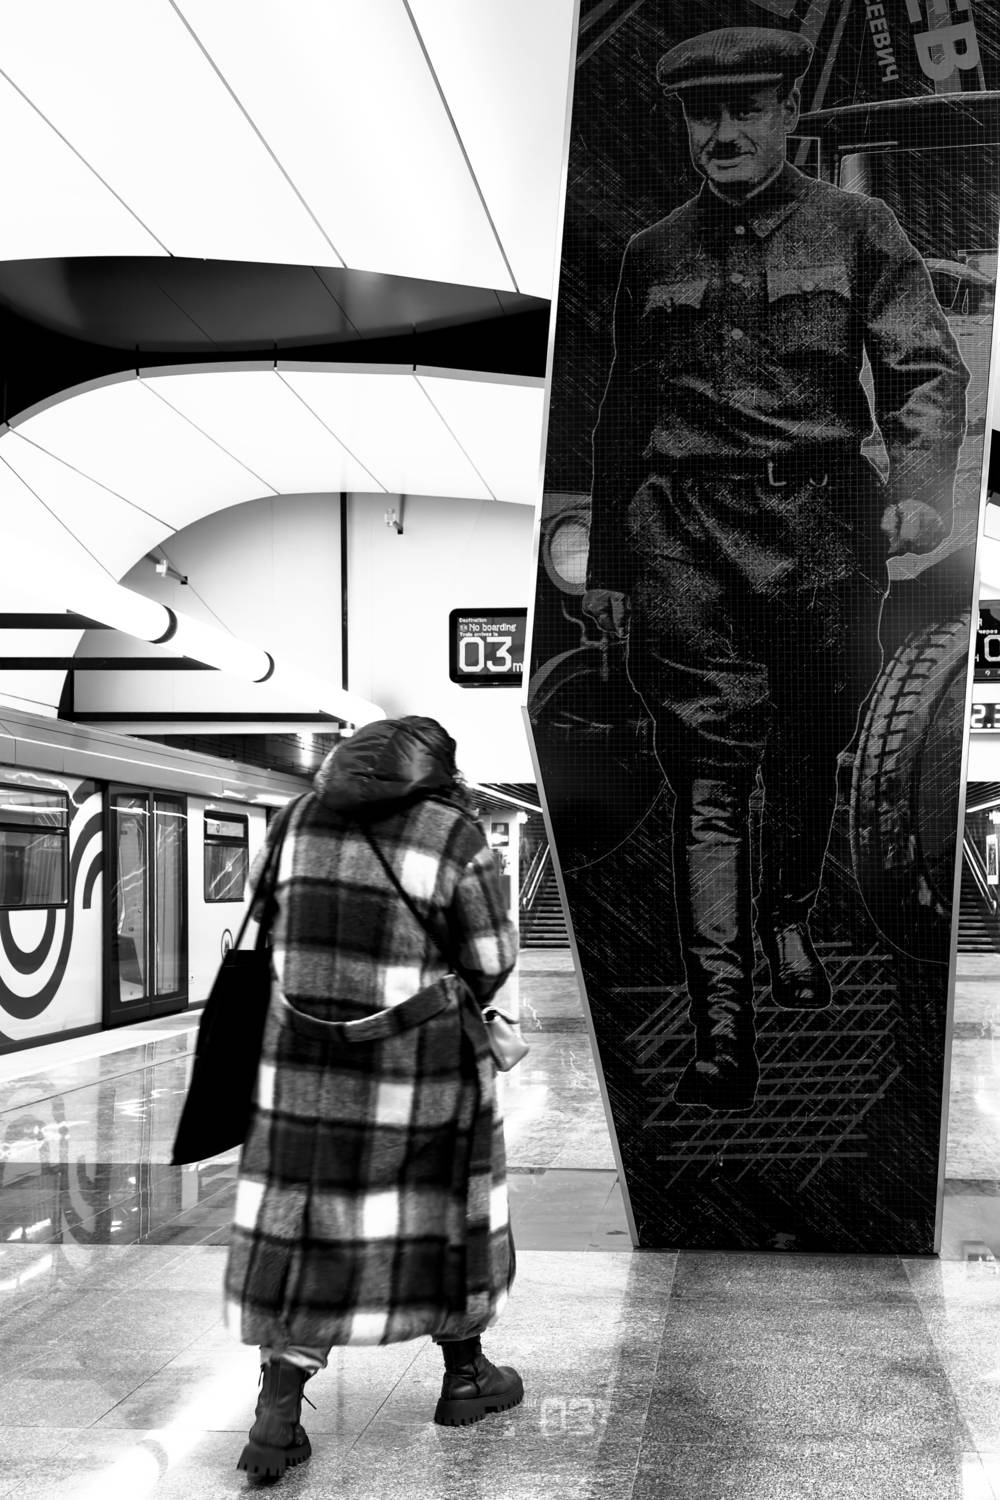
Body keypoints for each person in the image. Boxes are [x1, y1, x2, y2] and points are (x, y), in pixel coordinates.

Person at [581, 26, 968, 1111]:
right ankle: (723, 1032)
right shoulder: (651, 251)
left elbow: (924, 368)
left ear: (788, 113)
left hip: (820, 531)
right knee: (710, 775)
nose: (723, 134)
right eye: (703, 115)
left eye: (745, 110)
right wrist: (610, 562)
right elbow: (622, 412)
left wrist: (918, 485)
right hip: (682, 533)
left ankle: (787, 913)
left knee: (806, 746)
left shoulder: (857, 227)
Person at [224, 715, 522, 1480]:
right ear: (439, 773)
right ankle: (466, 1374)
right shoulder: (452, 835)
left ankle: (278, 1410)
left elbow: (264, 918)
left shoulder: (295, 820)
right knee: (443, 1213)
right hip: (420, 1067)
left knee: (307, 1223)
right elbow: (491, 956)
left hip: (303, 1067)